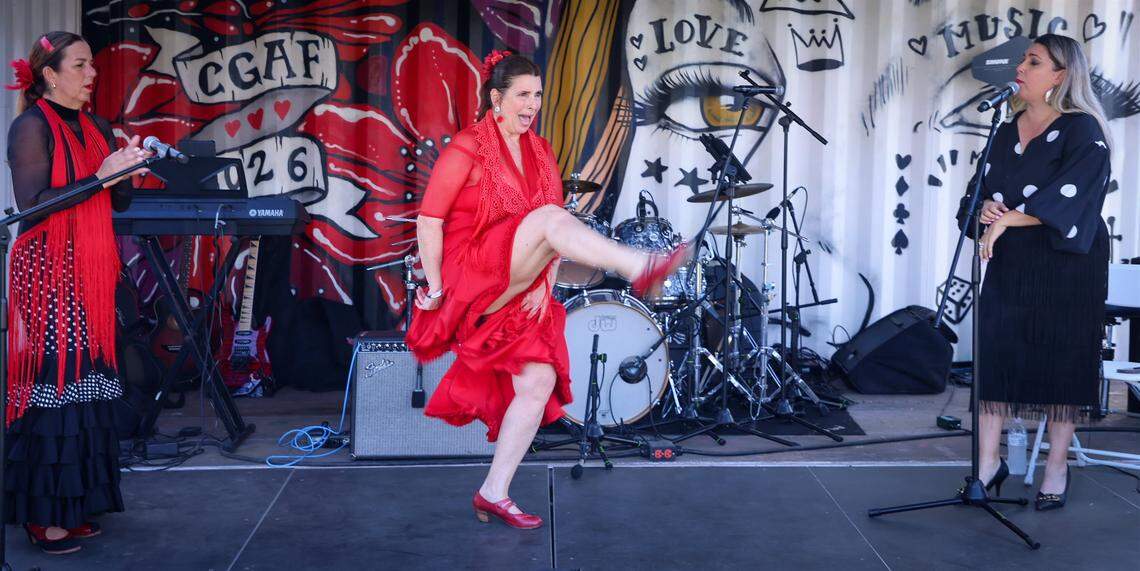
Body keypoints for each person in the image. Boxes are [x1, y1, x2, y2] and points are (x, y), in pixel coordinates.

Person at [406, 51, 688, 529]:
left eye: (538, 95)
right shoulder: (467, 147)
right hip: (466, 273)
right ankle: (640, 266)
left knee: (535, 384)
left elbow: (554, 233)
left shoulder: (540, 150)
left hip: (515, 283)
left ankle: (493, 492)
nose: (532, 103)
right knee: (547, 218)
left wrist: (542, 280)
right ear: (496, 98)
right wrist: (433, 288)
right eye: (522, 94)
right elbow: (429, 220)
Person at [5, 31, 150, 554]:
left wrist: (126, 169)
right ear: (50, 74)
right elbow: (34, 205)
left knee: (89, 382)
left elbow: (120, 203)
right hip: (47, 269)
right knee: (55, 381)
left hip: (91, 268)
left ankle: (76, 501)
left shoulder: (97, 125)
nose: (93, 74)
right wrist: (101, 176)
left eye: (92, 65)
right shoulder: (29, 126)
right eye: (83, 65)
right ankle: (42, 513)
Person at [959, 34, 1111, 511]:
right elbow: (976, 193)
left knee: (1060, 360)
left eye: (1033, 61)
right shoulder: (1005, 131)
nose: (1020, 68)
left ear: (1060, 76)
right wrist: (985, 207)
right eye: (1024, 60)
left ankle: (1056, 467)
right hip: (1011, 260)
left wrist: (1007, 218)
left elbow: (1074, 195)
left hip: (1066, 263)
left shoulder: (1082, 130)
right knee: (996, 353)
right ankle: (987, 465)